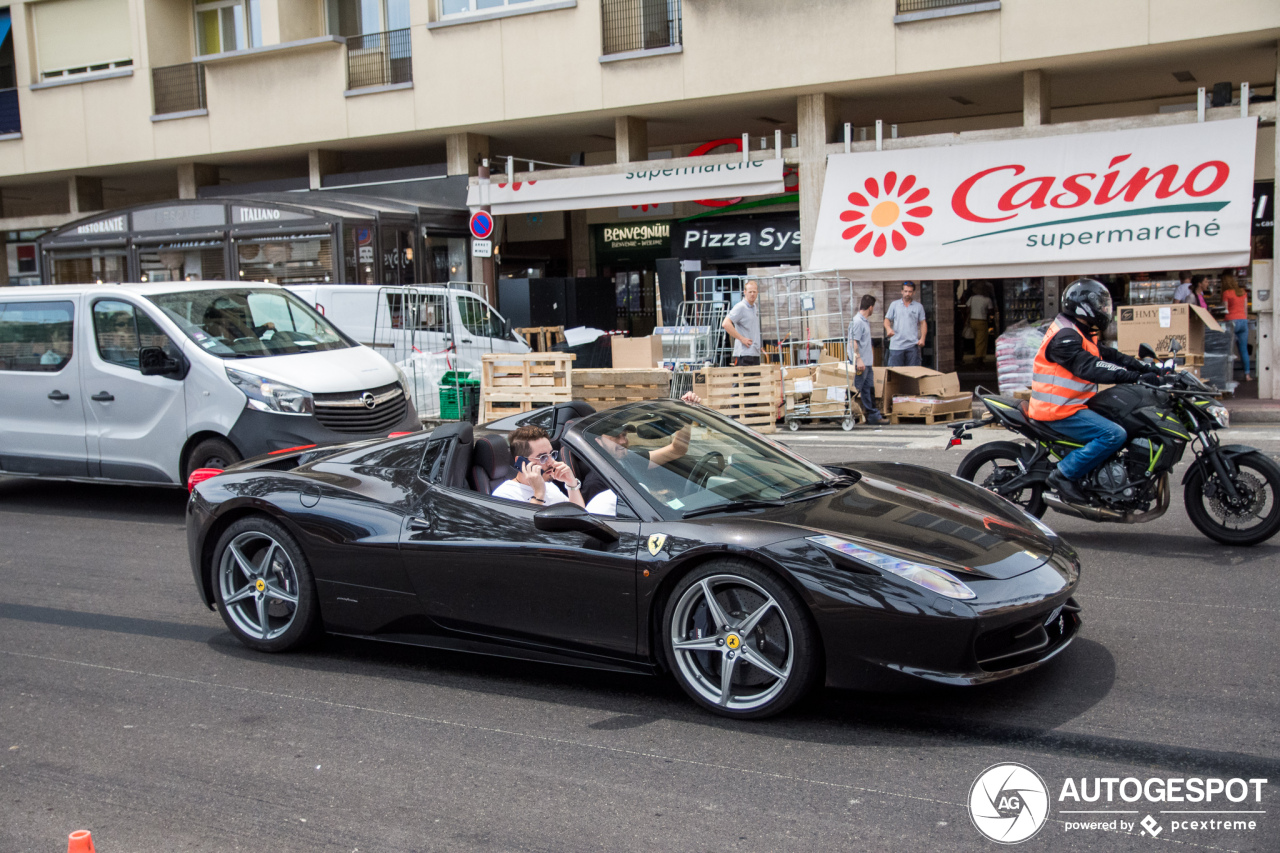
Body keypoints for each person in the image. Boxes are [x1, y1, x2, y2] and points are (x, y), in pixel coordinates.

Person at [1029, 278, 1167, 505]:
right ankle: (1063, 475)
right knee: (1114, 434)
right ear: (1084, 306)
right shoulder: (1065, 337)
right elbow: (1090, 366)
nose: (1104, 310)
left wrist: (1143, 367)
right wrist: (1135, 377)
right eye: (1100, 305)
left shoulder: (1080, 331)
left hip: (1073, 405)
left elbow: (1108, 355)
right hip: (1057, 410)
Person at [582, 391, 702, 515]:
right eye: (615, 437)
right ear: (598, 441)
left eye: (624, 435)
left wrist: (684, 416)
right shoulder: (596, 483)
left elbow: (677, 450)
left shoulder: (628, 459)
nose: (623, 441)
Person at [491, 425, 585, 508]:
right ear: (521, 462)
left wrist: (571, 484)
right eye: (543, 457)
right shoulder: (504, 496)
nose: (551, 462)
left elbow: (579, 516)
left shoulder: (550, 486)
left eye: (552, 454)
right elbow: (526, 527)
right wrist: (539, 494)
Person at [845, 294, 884, 425]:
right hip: (860, 363)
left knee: (868, 390)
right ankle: (843, 412)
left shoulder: (864, 321)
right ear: (870, 307)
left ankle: (873, 415)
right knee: (855, 389)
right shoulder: (857, 322)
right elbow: (853, 342)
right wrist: (858, 360)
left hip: (867, 363)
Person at [883, 281, 927, 367]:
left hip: (912, 345)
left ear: (914, 292)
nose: (907, 293)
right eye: (906, 291)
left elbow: (923, 323)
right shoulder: (894, 305)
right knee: (895, 374)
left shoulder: (918, 306)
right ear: (902, 291)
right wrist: (888, 329)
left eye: (910, 291)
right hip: (896, 346)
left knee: (913, 374)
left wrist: (923, 338)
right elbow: (887, 320)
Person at [721, 280, 761, 366]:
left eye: (754, 292)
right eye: (750, 292)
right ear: (745, 292)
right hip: (744, 355)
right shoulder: (740, 307)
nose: (752, 294)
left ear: (757, 292)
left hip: (754, 353)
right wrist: (742, 338)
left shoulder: (754, 307)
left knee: (756, 379)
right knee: (744, 379)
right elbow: (725, 324)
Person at [1221, 271, 1251, 381]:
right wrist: (1244, 319)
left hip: (1231, 321)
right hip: (1243, 321)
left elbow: (1225, 309)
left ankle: (1228, 376)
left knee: (1228, 351)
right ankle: (1247, 375)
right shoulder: (1242, 292)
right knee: (1243, 350)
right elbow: (1245, 309)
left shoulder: (1226, 293)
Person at [964, 282, 997, 364]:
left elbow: (967, 309)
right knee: (981, 340)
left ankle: (977, 355)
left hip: (972, 320)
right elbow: (990, 310)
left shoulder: (972, 298)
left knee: (975, 339)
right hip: (982, 320)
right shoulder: (987, 299)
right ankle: (979, 357)